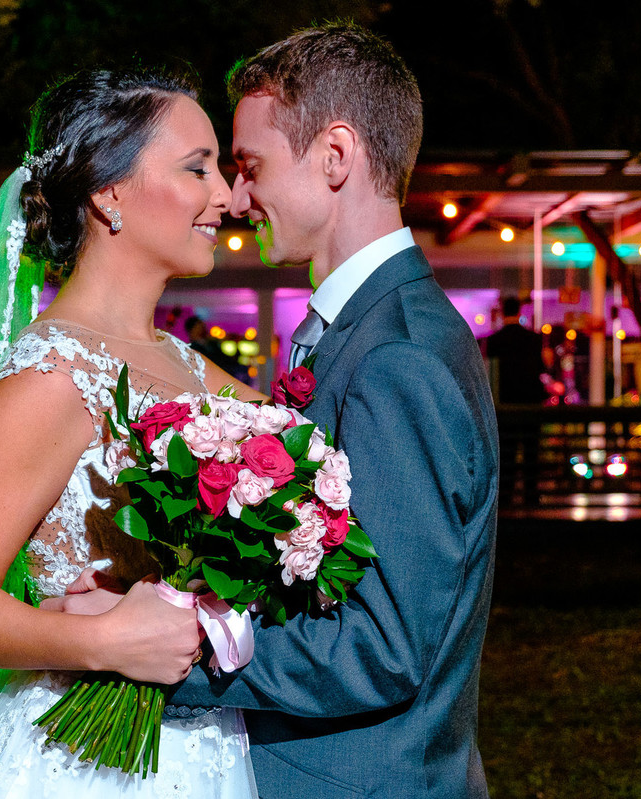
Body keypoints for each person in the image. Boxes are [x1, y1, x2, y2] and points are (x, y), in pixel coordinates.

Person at [0, 67, 263, 799]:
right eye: (197, 168)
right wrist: (102, 639)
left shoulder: (193, 367)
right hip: (81, 763)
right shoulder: (50, 379)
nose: (226, 196)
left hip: (205, 745)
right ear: (109, 192)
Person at [167, 24, 500, 798]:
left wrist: (177, 653)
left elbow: (381, 645)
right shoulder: (372, 332)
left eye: (251, 167)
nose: (237, 198)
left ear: (336, 156)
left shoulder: (397, 358)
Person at [482, 296, 547, 405]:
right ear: (519, 312)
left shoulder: (493, 340)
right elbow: (540, 367)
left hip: (503, 397)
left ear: (502, 313)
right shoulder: (534, 338)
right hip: (530, 397)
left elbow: (489, 372)